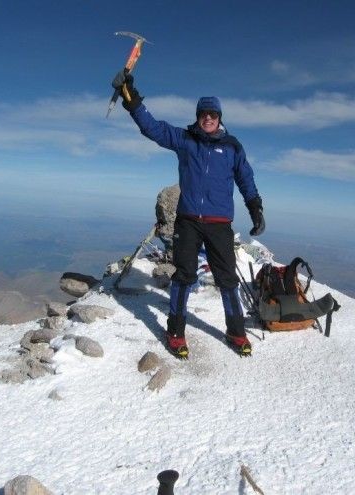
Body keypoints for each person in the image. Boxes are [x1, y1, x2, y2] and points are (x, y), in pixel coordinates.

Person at [112, 71, 265, 358]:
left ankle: (235, 331)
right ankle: (175, 332)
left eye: (213, 114)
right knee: (184, 276)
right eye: (203, 113)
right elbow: (153, 128)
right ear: (198, 116)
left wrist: (255, 207)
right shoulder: (185, 140)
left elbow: (245, 178)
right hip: (189, 221)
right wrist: (131, 99)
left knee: (228, 279)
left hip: (220, 223)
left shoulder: (232, 147)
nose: (208, 118)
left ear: (219, 117)